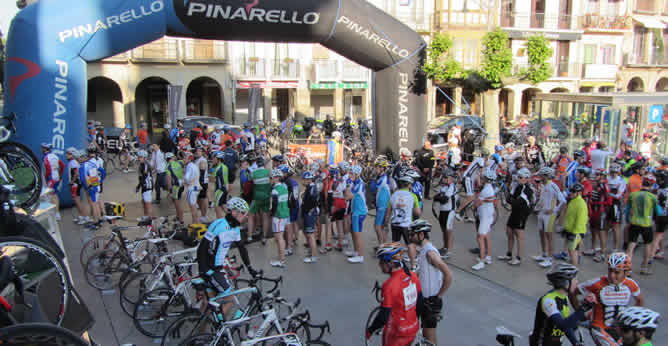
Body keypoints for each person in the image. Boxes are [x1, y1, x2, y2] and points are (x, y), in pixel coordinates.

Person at [572, 253, 644, 345]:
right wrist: (579, 313)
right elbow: (574, 293)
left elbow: (640, 300)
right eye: (610, 271)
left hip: (619, 328)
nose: (612, 275)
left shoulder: (631, 284)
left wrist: (631, 318)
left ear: (626, 272)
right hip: (599, 327)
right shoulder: (597, 283)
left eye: (617, 272)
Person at [196, 197, 251, 319]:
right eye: (243, 213)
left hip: (217, 268)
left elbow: (241, 248)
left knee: (207, 303)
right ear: (234, 212)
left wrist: (249, 267)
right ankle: (218, 331)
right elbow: (202, 248)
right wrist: (203, 270)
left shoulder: (235, 228)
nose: (246, 216)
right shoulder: (219, 225)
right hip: (211, 270)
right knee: (230, 299)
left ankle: (200, 333)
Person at [365, 243, 423, 346]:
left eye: (382, 262)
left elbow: (383, 317)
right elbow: (419, 304)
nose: (379, 265)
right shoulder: (413, 276)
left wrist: (370, 330)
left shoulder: (389, 286)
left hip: (395, 334)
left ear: (391, 263)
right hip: (412, 329)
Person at [408, 220, 453, 345]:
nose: (410, 237)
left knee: (429, 337)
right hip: (424, 299)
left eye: (413, 234)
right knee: (425, 335)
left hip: (431, 301)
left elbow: (448, 274)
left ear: (421, 235)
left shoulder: (430, 253)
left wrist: (438, 296)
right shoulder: (423, 250)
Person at [529, 263, 594, 346]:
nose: (577, 282)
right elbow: (562, 325)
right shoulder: (548, 300)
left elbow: (566, 325)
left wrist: (575, 342)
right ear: (565, 282)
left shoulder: (564, 297)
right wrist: (584, 308)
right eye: (574, 279)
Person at [626, 176, 662, 274]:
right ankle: (644, 267)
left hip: (634, 222)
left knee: (631, 245)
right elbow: (659, 211)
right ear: (651, 185)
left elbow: (627, 210)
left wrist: (627, 220)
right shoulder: (653, 197)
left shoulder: (633, 195)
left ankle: (627, 269)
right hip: (647, 224)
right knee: (647, 245)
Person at [499, 168, 535, 266]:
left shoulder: (527, 189)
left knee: (519, 235)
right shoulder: (517, 186)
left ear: (527, 178)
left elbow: (515, 201)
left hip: (522, 214)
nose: (518, 179)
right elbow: (509, 198)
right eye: (518, 177)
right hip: (515, 212)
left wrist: (511, 200)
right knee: (509, 231)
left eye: (520, 177)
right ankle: (509, 254)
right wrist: (511, 200)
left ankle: (518, 257)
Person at [532, 167, 566, 268]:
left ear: (546, 176)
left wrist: (554, 210)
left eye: (541, 175)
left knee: (549, 236)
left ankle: (550, 258)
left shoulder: (553, 186)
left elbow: (563, 200)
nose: (540, 177)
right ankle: (544, 254)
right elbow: (542, 199)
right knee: (541, 234)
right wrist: (536, 207)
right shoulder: (543, 185)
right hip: (542, 213)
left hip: (549, 215)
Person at [389, 175, 421, 268]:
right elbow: (418, 213)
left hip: (394, 223)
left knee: (395, 243)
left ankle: (396, 263)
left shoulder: (393, 195)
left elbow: (388, 211)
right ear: (409, 185)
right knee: (410, 244)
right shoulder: (413, 196)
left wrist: (386, 222)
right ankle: (413, 265)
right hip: (407, 224)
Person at [472, 170, 498, 271]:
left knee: (480, 237)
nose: (481, 179)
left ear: (486, 179)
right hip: (487, 215)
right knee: (486, 236)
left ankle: (481, 261)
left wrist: (475, 203)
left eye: (482, 178)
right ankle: (488, 256)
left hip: (485, 217)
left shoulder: (486, 190)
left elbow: (477, 203)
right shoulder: (489, 188)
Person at [584, 169, 611, 263]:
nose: (595, 176)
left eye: (597, 175)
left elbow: (609, 200)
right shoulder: (594, 184)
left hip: (601, 211)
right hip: (593, 210)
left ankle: (603, 253)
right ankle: (593, 248)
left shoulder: (604, 186)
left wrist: (598, 203)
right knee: (593, 230)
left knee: (601, 231)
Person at [456, 148, 488, 222]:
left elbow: (477, 175)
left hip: (470, 179)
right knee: (470, 198)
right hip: (468, 179)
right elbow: (481, 174)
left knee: (473, 198)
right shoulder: (481, 160)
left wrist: (479, 184)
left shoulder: (479, 160)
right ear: (486, 156)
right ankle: (458, 211)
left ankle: (466, 216)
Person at [563, 183, 588, 266]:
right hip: (570, 229)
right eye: (571, 191)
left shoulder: (581, 204)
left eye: (573, 192)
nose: (571, 193)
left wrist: (575, 233)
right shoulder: (572, 201)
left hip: (576, 231)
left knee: (573, 251)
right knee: (571, 250)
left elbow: (581, 220)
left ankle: (574, 270)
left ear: (579, 193)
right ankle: (573, 266)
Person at [347, 165, 367, 264]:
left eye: (351, 174)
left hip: (359, 212)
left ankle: (360, 255)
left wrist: (346, 186)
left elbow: (347, 196)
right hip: (355, 211)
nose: (349, 175)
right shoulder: (355, 182)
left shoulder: (358, 184)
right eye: (349, 173)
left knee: (357, 234)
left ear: (357, 174)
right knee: (353, 232)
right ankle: (356, 252)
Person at [434, 172, 457, 258]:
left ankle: (449, 251)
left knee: (448, 231)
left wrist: (438, 198)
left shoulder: (452, 186)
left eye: (445, 177)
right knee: (444, 230)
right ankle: (445, 247)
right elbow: (437, 197)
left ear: (450, 178)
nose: (443, 179)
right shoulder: (443, 187)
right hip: (442, 210)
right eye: (443, 177)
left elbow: (444, 199)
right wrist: (438, 197)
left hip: (450, 211)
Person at [270, 169, 289, 268]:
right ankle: (281, 257)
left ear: (276, 178)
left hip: (278, 216)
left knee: (279, 238)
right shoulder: (284, 188)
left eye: (271, 178)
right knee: (281, 237)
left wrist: (271, 214)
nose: (270, 180)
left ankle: (281, 260)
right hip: (285, 214)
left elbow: (274, 205)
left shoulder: (275, 190)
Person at [80, 146, 105, 224]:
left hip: (91, 185)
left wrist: (86, 187)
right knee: (96, 202)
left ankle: (96, 221)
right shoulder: (98, 161)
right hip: (97, 183)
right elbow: (103, 172)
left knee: (93, 204)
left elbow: (82, 178)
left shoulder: (84, 165)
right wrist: (100, 180)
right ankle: (100, 218)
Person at [41, 143, 65, 220]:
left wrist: (44, 177)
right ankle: (57, 213)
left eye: (43, 148)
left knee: (51, 196)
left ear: (45, 149)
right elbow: (62, 165)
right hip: (56, 177)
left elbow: (48, 169)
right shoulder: (55, 156)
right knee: (55, 195)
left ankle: (55, 214)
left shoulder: (46, 157)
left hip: (50, 178)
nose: (42, 149)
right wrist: (60, 174)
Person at [301, 171, 320, 263]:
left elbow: (314, 201)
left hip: (309, 214)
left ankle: (313, 256)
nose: (302, 181)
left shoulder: (312, 188)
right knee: (308, 233)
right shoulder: (309, 187)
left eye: (303, 179)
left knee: (311, 234)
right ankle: (311, 252)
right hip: (307, 213)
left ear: (308, 180)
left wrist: (310, 210)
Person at [607, 164, 627, 252]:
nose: (613, 174)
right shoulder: (607, 179)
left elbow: (618, 195)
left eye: (615, 172)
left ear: (618, 172)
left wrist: (609, 194)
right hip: (607, 203)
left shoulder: (621, 180)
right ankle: (604, 245)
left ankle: (616, 247)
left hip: (616, 204)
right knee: (606, 225)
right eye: (612, 172)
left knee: (616, 226)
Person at [66, 148, 88, 225]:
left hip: (75, 184)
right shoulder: (73, 162)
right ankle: (82, 216)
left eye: (68, 154)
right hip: (76, 183)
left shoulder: (73, 162)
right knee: (77, 201)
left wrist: (72, 182)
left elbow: (76, 173)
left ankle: (84, 216)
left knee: (77, 201)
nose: (66, 155)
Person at [373, 157, 391, 247]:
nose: (375, 169)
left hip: (382, 206)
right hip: (381, 205)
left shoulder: (382, 179)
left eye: (377, 167)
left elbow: (374, 187)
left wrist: (373, 180)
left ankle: (381, 246)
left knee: (377, 227)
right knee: (382, 227)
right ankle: (383, 245)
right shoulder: (382, 177)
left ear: (382, 168)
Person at [165, 152, 185, 223]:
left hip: (176, 187)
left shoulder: (168, 166)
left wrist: (169, 190)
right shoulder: (179, 163)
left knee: (177, 204)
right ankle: (178, 216)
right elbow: (185, 160)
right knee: (179, 202)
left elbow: (168, 178)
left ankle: (181, 220)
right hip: (182, 185)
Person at [183, 151, 201, 225]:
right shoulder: (194, 165)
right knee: (194, 207)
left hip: (191, 188)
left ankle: (195, 223)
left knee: (192, 207)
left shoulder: (189, 166)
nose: (183, 159)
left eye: (185, 158)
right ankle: (196, 222)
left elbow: (186, 178)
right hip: (196, 187)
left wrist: (185, 182)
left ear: (189, 159)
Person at [212, 151, 229, 220]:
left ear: (219, 159)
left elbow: (212, 179)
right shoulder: (225, 167)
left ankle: (220, 223)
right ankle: (233, 220)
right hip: (224, 189)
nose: (213, 159)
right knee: (224, 207)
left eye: (214, 158)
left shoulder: (218, 168)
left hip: (219, 190)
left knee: (217, 208)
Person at [194, 147, 209, 223]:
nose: (197, 152)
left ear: (202, 152)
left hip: (202, 182)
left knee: (203, 199)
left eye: (199, 151)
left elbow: (202, 172)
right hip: (199, 182)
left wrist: (200, 183)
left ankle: (204, 216)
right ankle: (203, 215)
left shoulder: (202, 160)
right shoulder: (197, 160)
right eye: (196, 151)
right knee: (200, 199)